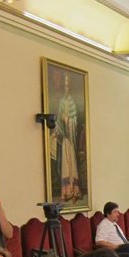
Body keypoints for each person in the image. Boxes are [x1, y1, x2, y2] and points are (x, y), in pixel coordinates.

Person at [53, 74, 83, 202]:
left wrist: (69, 121)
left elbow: (75, 120)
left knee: (72, 165)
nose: (66, 88)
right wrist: (60, 124)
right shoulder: (61, 103)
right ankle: (65, 192)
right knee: (65, 165)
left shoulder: (72, 102)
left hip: (71, 138)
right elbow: (58, 121)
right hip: (64, 138)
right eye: (64, 86)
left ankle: (74, 191)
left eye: (67, 86)